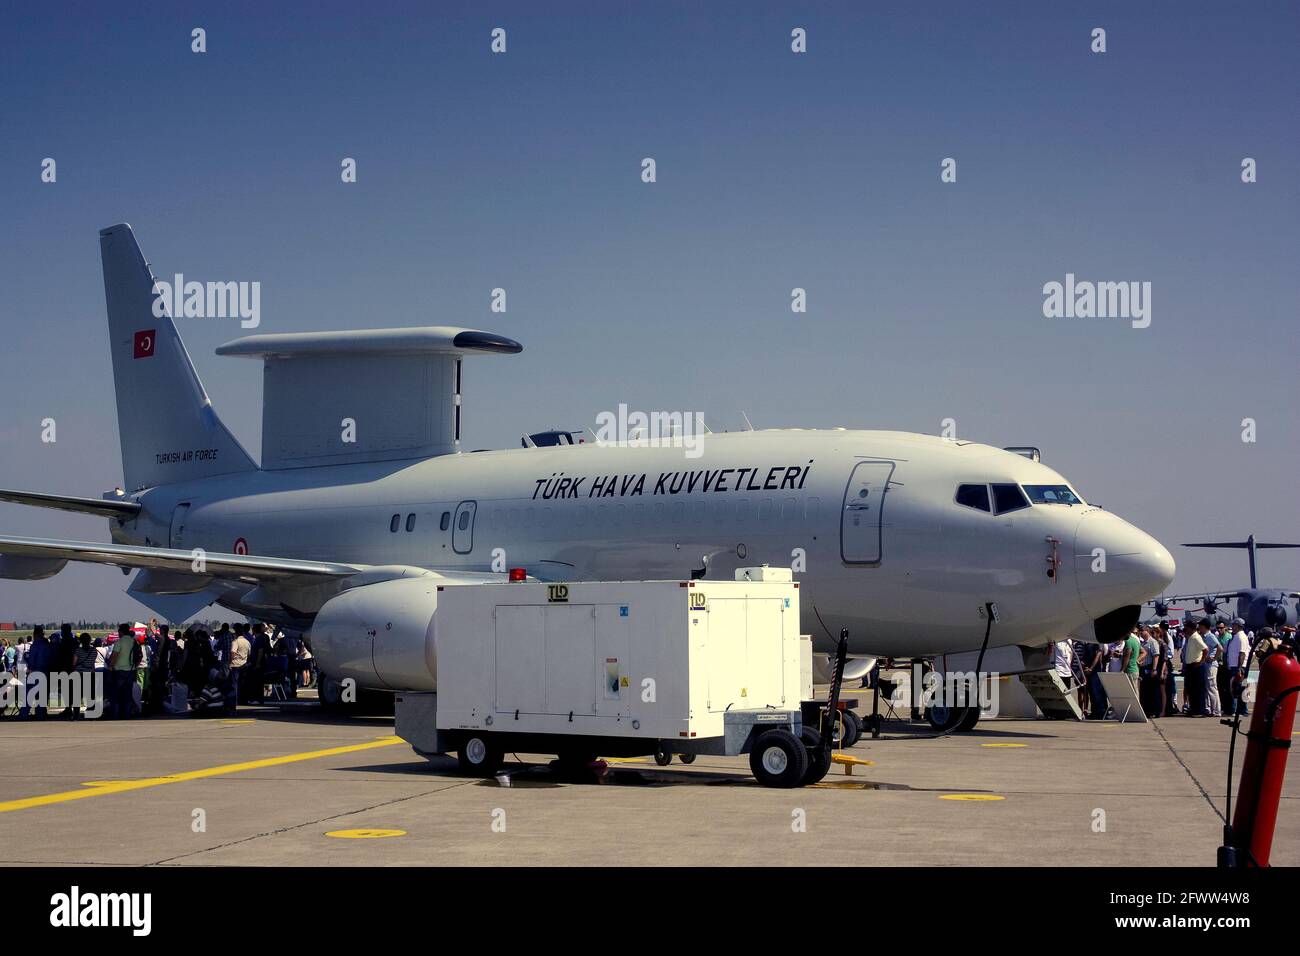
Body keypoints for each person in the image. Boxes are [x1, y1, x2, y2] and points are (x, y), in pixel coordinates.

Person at [107, 623, 142, 718]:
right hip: (131, 671)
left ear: (121, 632)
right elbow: (140, 656)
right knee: (128, 694)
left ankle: (116, 714)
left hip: (119, 671)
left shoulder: (119, 642)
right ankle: (127, 714)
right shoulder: (134, 642)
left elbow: (114, 656)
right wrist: (135, 666)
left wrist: (110, 666)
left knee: (117, 694)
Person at [23, 626, 52, 719]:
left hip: (35, 670)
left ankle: (23, 714)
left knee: (29, 693)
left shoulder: (35, 645)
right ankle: (41, 713)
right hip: (45, 670)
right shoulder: (47, 644)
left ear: (35, 634)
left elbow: (32, 658)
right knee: (43, 694)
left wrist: (29, 668)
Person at [69, 633, 96, 719]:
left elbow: (74, 663)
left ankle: (76, 715)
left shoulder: (78, 651)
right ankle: (91, 714)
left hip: (79, 674)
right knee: (90, 695)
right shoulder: (94, 650)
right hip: (90, 674)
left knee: (77, 695)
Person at [226, 625, 251, 716]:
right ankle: (243, 700)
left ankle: (233, 705)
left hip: (235, 665)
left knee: (233, 686)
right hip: (244, 665)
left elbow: (232, 652)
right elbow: (249, 654)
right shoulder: (247, 642)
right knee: (242, 684)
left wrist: (229, 663)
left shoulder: (235, 642)